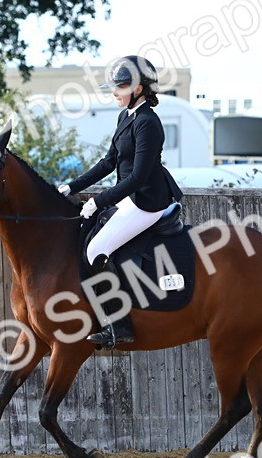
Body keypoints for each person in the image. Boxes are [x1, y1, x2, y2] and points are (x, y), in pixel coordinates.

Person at [58, 55, 184, 349]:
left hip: (146, 200)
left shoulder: (148, 123)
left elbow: (138, 177)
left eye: (120, 87)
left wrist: (98, 200)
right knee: (86, 232)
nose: (114, 92)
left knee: (96, 249)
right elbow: (109, 162)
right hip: (130, 197)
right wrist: (72, 186)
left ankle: (120, 325)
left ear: (138, 89)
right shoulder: (126, 117)